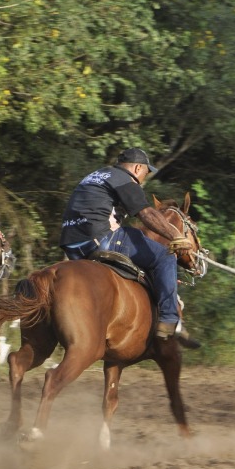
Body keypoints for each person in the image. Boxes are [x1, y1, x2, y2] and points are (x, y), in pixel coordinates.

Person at [59, 147, 201, 349]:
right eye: (145, 171)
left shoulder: (96, 175)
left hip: (71, 244)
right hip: (100, 238)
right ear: (137, 168)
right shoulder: (124, 179)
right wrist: (176, 237)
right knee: (165, 256)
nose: (144, 177)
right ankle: (170, 320)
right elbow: (146, 214)